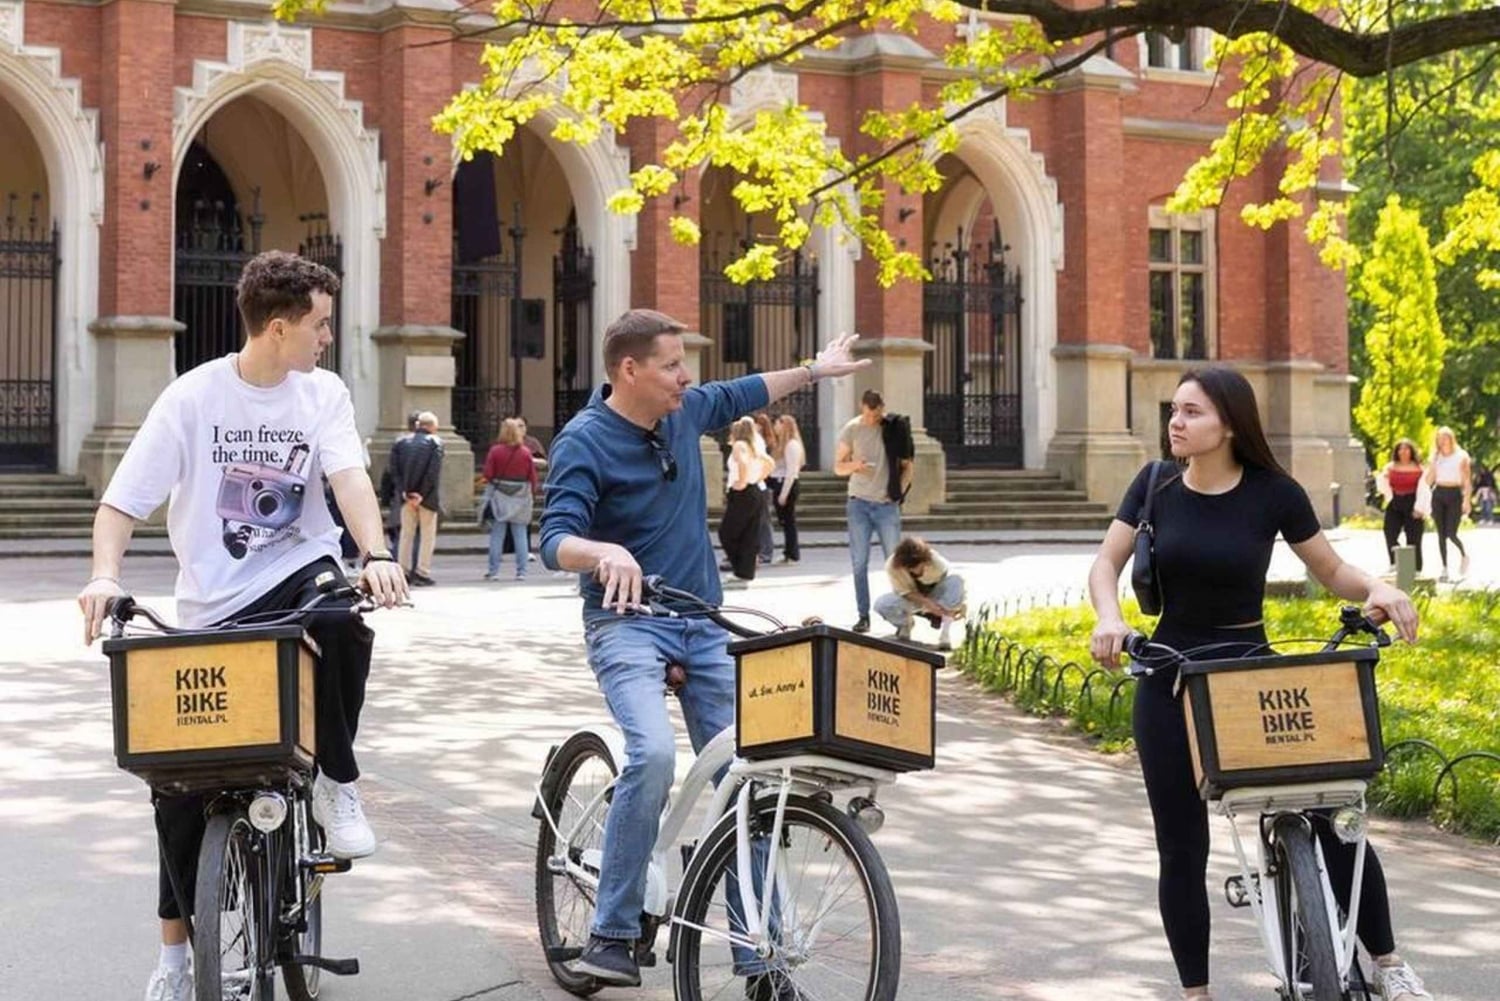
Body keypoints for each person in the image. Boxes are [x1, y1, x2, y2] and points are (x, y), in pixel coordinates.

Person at [74, 250, 409, 1001]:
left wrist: (378, 552)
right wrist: (104, 574)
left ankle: (337, 783)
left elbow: (349, 476)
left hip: (297, 576)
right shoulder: (192, 398)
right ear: (281, 328)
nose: (329, 338)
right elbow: (121, 504)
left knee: (341, 615)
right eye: (320, 325)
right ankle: (173, 957)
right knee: (174, 785)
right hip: (214, 606)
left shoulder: (322, 394)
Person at [539, 309, 867, 994]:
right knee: (653, 754)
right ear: (629, 370)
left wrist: (815, 368)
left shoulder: (685, 411)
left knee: (748, 778)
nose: (686, 375)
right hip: (626, 625)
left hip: (702, 622)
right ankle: (611, 931)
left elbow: (750, 388)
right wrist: (604, 551)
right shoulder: (584, 441)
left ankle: (762, 959)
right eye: (670, 363)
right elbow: (555, 540)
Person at [1086, 366, 1427, 1001]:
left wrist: (1379, 585)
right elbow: (1106, 563)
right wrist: (1111, 618)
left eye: (1192, 412)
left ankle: (1387, 962)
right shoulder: (1154, 484)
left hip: (1249, 674)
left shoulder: (1272, 491)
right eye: (1175, 410)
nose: (1176, 422)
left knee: (1333, 813)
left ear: (1229, 426)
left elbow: (1330, 568)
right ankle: (1197, 993)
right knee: (1181, 845)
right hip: (1167, 676)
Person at [835, 389, 911, 632]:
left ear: (882, 409)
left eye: (876, 416)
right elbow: (838, 467)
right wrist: (854, 465)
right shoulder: (852, 428)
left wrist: (897, 493)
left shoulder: (893, 427)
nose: (873, 420)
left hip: (886, 505)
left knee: (895, 563)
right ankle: (863, 616)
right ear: (862, 408)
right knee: (859, 563)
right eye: (869, 416)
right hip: (858, 504)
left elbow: (908, 465)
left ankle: (902, 618)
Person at [874, 536, 966, 650]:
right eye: (909, 568)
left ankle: (945, 635)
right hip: (912, 599)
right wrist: (927, 604)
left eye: (917, 566)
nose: (914, 570)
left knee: (956, 580)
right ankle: (905, 625)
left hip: (937, 596)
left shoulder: (936, 561)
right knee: (882, 604)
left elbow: (952, 582)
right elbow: (903, 592)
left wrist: (957, 603)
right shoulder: (892, 565)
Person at [480, 417, 538, 580]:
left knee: (497, 535)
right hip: (521, 495)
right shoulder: (525, 452)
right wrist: (531, 494)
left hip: (500, 496)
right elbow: (532, 477)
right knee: (520, 535)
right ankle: (521, 572)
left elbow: (488, 474)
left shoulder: (495, 451)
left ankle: (493, 571)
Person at [390, 410, 443, 586]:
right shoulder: (435, 442)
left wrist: (405, 492)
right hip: (426, 499)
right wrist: (421, 494)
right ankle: (422, 572)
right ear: (431, 426)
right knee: (427, 536)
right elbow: (432, 473)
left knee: (406, 535)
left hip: (406, 497)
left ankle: (402, 571)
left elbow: (394, 471)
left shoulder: (400, 442)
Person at [719, 416, 772, 584]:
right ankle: (745, 572)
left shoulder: (739, 445)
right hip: (755, 489)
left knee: (727, 533)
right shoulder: (755, 446)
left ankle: (740, 568)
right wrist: (757, 477)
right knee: (749, 533)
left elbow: (742, 463)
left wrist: (742, 481)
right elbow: (770, 462)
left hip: (742, 491)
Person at [1375, 438, 1428, 574]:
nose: (1403, 452)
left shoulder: (1420, 468)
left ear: (1411, 451)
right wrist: (1384, 477)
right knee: (1389, 532)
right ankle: (1395, 562)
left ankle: (1416, 568)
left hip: (1413, 502)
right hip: (1396, 501)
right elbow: (1381, 484)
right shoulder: (1390, 467)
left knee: (1414, 537)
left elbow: (1425, 489)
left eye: (1406, 449)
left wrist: (1420, 509)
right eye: (1400, 449)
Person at [1425, 425, 1472, 580]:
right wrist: (1431, 465)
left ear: (1451, 439)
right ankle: (1444, 568)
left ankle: (1464, 555)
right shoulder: (1436, 457)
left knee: (1451, 533)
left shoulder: (1461, 456)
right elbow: (1429, 481)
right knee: (1441, 534)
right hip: (1439, 493)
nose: (1442, 441)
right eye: (1440, 438)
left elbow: (1467, 480)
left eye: (1445, 437)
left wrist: (1467, 500)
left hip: (1454, 494)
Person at [767, 413, 805, 564]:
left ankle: (791, 553)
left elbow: (791, 471)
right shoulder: (783, 444)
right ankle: (789, 552)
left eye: (777, 424)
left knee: (788, 521)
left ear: (784, 425)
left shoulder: (792, 445)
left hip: (786, 484)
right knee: (784, 521)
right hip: (778, 482)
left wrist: (784, 494)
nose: (775, 427)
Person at [752, 412, 777, 564]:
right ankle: (764, 550)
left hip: (762, 483)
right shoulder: (768, 440)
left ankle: (766, 551)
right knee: (763, 520)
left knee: (763, 520)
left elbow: (768, 463)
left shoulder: (761, 442)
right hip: (764, 483)